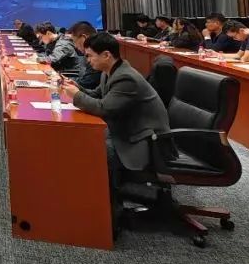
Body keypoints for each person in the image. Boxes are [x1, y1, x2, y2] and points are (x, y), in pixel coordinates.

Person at [56, 33, 170, 225]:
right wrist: (78, 88)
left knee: (99, 153)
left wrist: (76, 96)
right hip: (128, 129)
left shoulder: (126, 78)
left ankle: (110, 217)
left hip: (146, 140)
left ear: (106, 55)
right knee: (89, 143)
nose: (87, 60)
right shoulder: (110, 71)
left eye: (90, 55)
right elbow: (98, 96)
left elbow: (104, 109)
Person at [67, 21, 101, 90]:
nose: (75, 46)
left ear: (84, 38)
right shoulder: (92, 53)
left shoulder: (98, 55)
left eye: (74, 41)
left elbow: (87, 84)